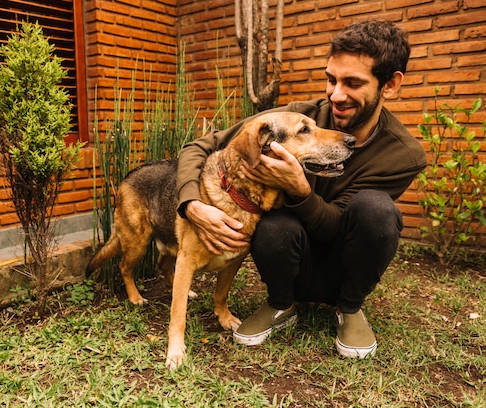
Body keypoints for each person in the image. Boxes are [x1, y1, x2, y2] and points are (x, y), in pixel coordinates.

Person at [175, 19, 427, 358]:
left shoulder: (403, 155)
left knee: (377, 211)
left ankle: (349, 308)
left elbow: (340, 225)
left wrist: (299, 189)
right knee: (272, 222)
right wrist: (191, 204)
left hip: (345, 264)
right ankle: (281, 303)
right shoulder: (297, 116)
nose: (336, 95)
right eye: (331, 79)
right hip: (288, 258)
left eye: (352, 82)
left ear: (390, 85)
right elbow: (200, 146)